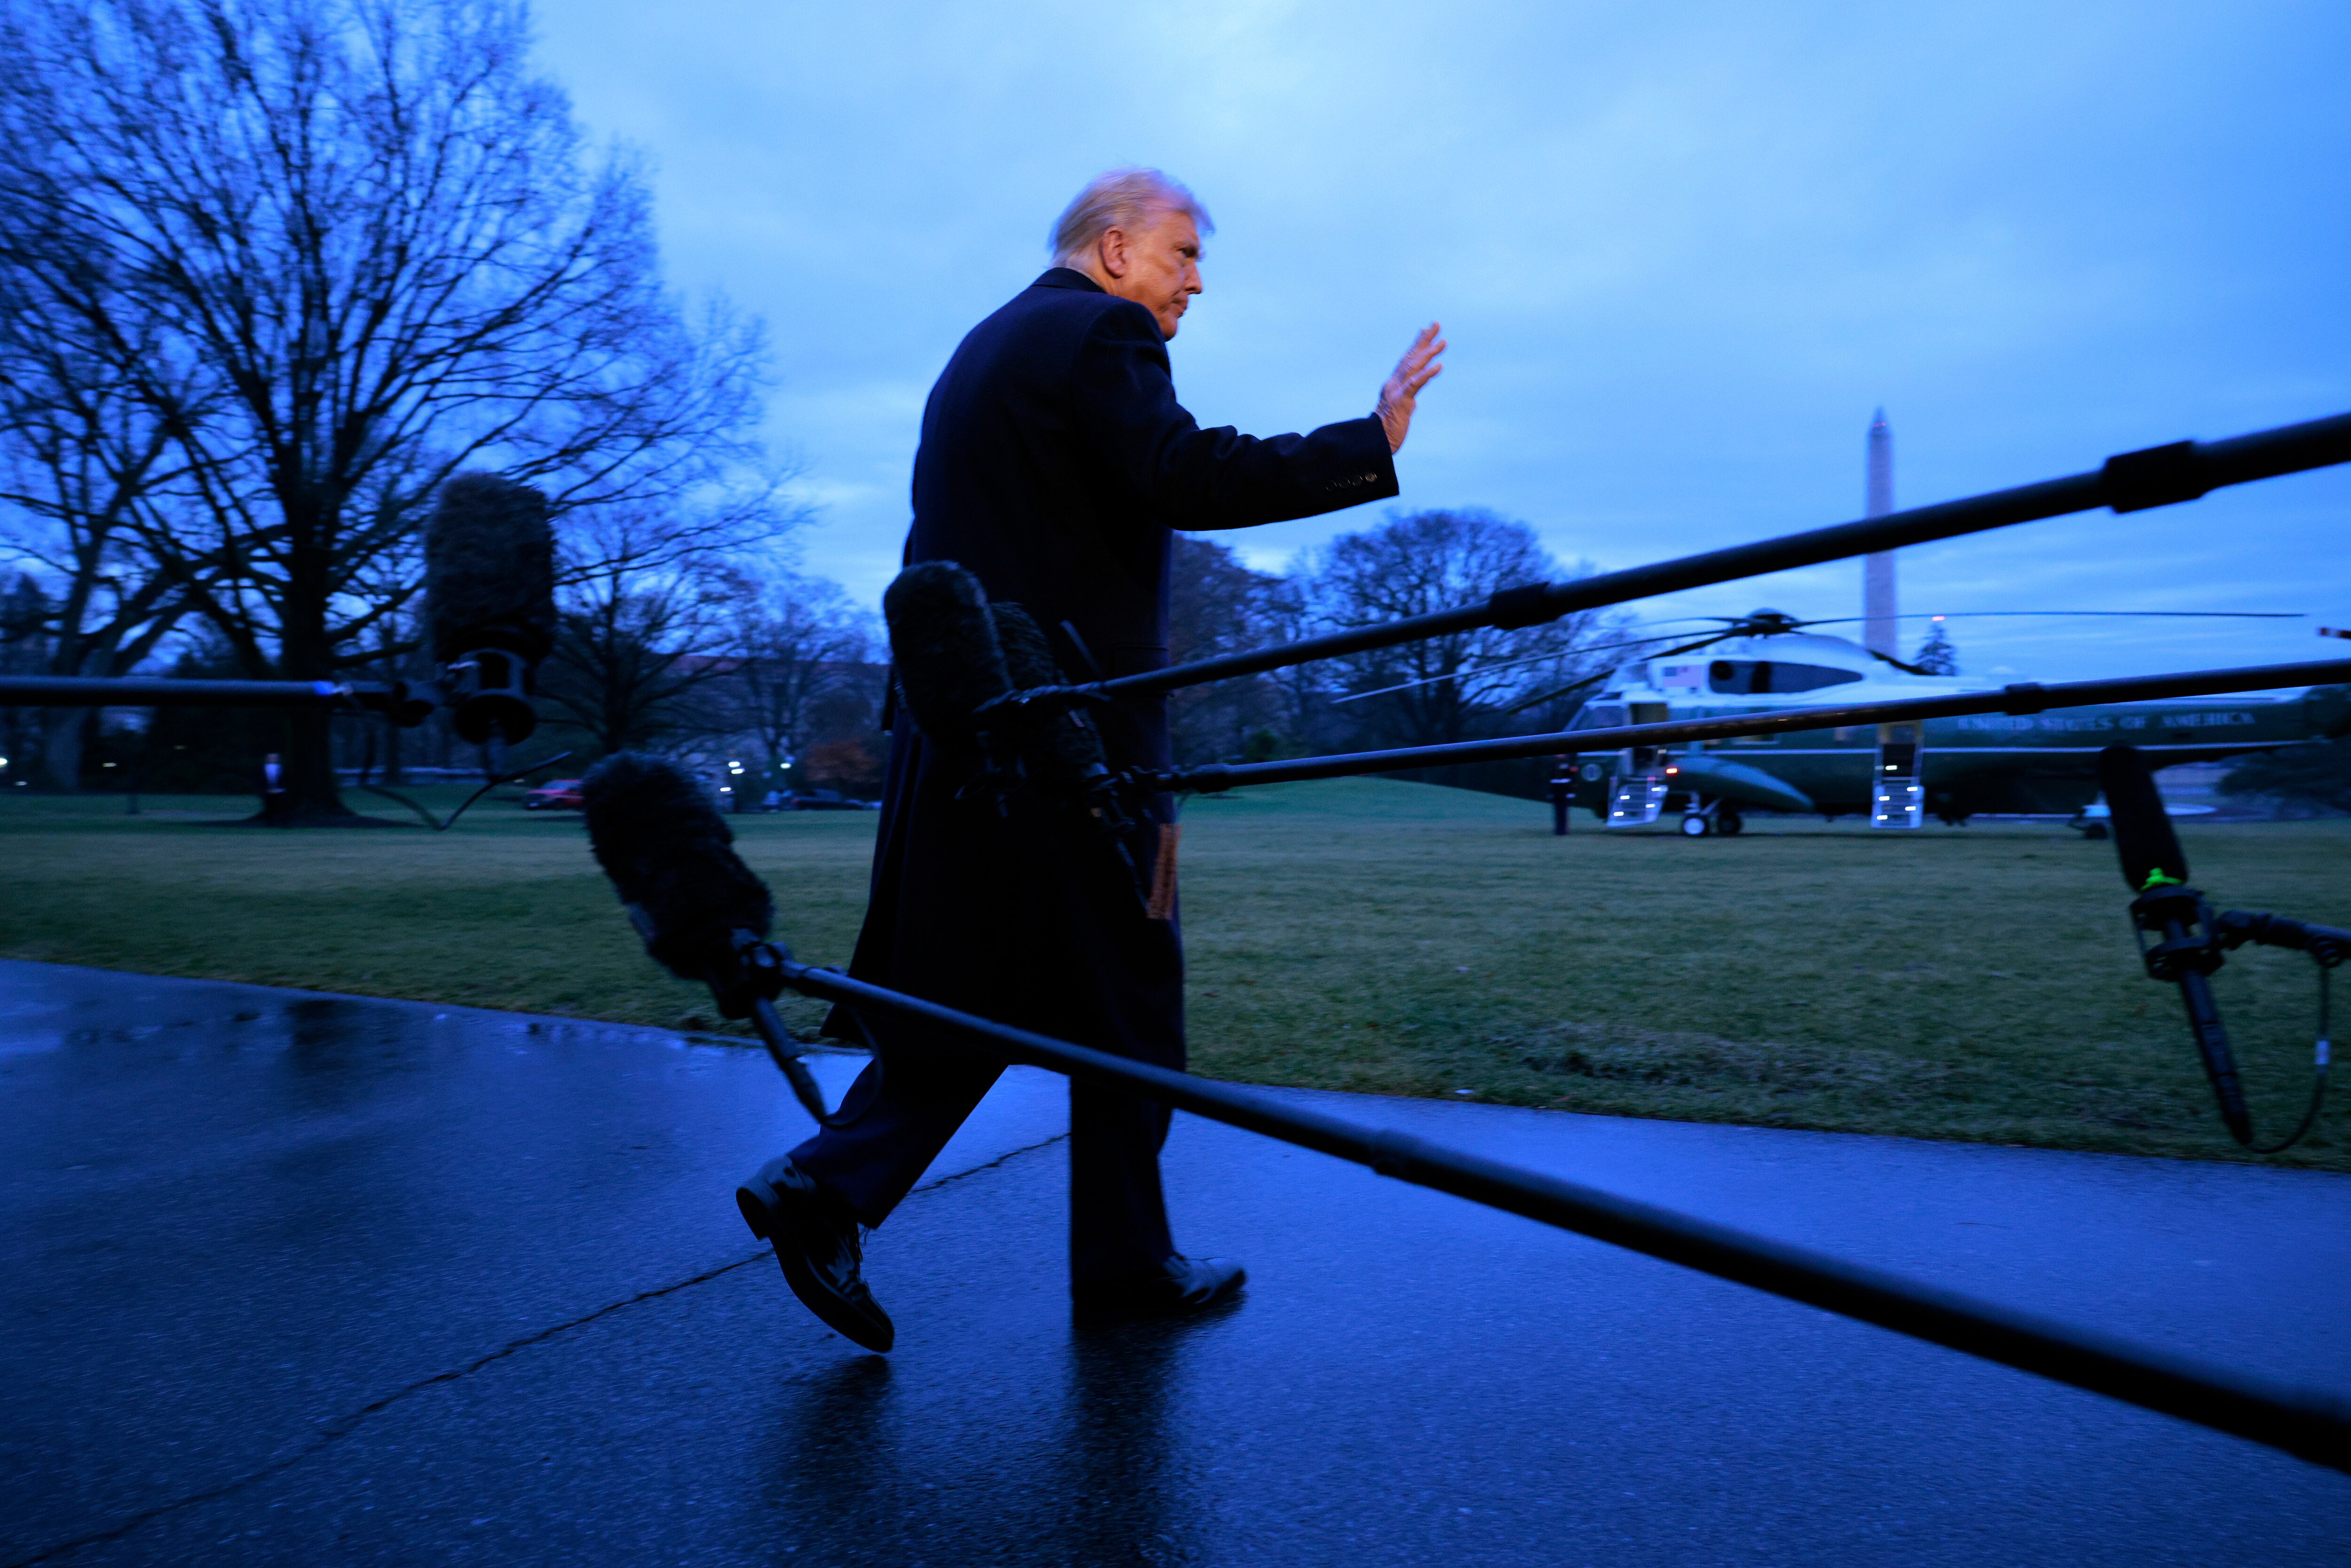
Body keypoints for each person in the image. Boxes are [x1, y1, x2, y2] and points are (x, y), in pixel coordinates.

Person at [734, 168, 1444, 1351]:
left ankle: (826, 1186)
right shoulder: (1098, 330)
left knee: (965, 987)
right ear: (1114, 251)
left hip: (968, 734)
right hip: (1080, 744)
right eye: (1181, 255)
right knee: (1129, 1001)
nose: (1194, 282)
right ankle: (1121, 1265)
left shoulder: (981, 350)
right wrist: (1367, 442)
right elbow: (1185, 472)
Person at [259, 752, 292, 827]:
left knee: (282, 808)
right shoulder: (263, 768)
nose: (273, 759)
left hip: (280, 791)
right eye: (271, 758)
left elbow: (287, 779)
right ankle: (270, 823)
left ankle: (284, 823)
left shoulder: (282, 768)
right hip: (268, 792)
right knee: (269, 808)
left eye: (275, 758)